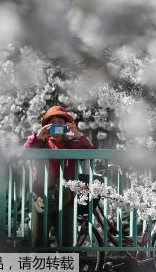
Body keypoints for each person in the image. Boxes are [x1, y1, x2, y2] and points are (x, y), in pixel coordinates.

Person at [23, 106, 94, 248]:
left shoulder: (71, 143)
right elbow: (25, 151)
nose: (56, 125)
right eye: (52, 122)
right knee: (38, 239)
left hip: (66, 194)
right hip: (41, 195)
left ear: (66, 125)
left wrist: (77, 134)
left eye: (60, 122)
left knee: (66, 240)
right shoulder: (40, 142)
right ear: (47, 126)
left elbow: (90, 152)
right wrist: (37, 137)